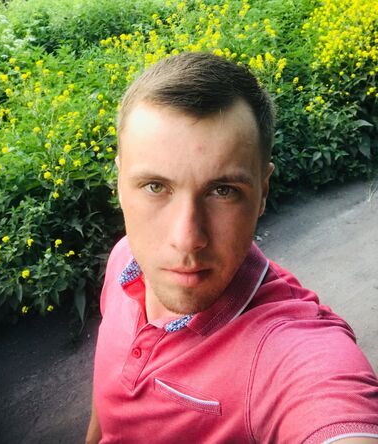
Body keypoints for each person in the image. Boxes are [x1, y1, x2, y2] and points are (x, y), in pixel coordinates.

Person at [86, 52, 378, 444]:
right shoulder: (126, 258)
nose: (186, 238)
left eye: (223, 191)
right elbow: (108, 401)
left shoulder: (288, 352)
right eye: (155, 187)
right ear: (120, 183)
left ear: (263, 192)